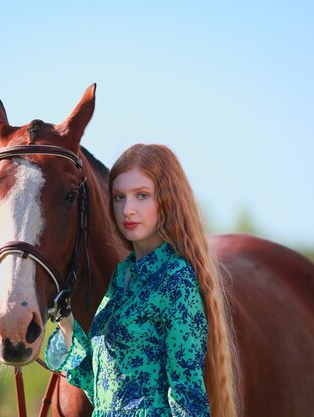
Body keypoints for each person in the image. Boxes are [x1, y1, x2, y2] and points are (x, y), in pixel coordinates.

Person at [45, 144, 239, 417]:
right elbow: (104, 390)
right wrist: (67, 328)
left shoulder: (176, 281)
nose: (128, 210)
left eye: (142, 195)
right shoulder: (122, 277)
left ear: (167, 200)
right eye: (119, 197)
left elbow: (188, 398)